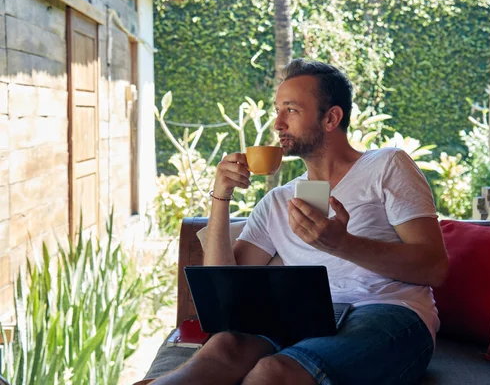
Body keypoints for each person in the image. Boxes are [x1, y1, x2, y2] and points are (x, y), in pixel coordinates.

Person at [151, 59, 448, 385]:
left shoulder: (386, 165)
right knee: (224, 347)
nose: (277, 124)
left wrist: (342, 244)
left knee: (274, 372)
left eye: (290, 110)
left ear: (331, 118)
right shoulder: (278, 201)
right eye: (277, 111)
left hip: (387, 310)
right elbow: (226, 295)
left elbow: (433, 267)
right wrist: (221, 196)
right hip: (299, 316)